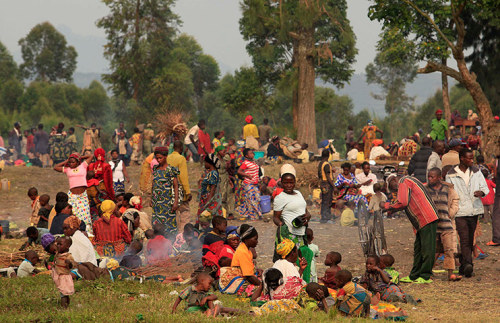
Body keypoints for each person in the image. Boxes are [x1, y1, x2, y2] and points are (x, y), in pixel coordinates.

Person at [381, 175, 438, 283]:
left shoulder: (404, 181)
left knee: (427, 249)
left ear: (394, 180)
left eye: (393, 188)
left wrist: (387, 206)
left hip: (426, 217)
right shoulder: (408, 180)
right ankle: (414, 275)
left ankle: (425, 275)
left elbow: (402, 202)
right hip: (421, 220)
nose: (395, 190)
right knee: (418, 249)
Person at [445, 148, 489, 277]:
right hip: (459, 211)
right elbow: (449, 192)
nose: (471, 160)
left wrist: (481, 192)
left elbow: (484, 187)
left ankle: (463, 266)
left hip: (474, 209)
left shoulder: (477, 172)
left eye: (472, 158)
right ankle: (469, 264)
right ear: (462, 159)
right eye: (469, 158)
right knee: (464, 239)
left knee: (470, 239)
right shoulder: (451, 174)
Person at [425, 167, 460, 281]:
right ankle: (428, 272)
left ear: (439, 178)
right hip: (432, 226)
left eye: (432, 177)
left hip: (446, 225)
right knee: (433, 250)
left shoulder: (447, 189)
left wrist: (450, 214)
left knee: (449, 250)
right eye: (429, 176)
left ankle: (450, 274)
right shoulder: (425, 189)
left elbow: (455, 200)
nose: (430, 179)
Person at [273, 165, 311, 261]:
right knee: (291, 260)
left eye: (291, 182)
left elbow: (306, 211)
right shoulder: (280, 197)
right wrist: (282, 225)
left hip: (301, 233)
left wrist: (307, 218)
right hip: (289, 234)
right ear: (281, 183)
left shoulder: (299, 194)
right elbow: (276, 217)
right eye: (286, 183)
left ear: (295, 183)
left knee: (302, 259)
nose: (288, 185)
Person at [54, 153, 94, 232]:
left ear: (77, 162)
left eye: (73, 162)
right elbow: (55, 167)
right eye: (70, 162)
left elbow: (91, 156)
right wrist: (67, 160)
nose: (71, 164)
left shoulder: (83, 166)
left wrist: (79, 157)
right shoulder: (67, 169)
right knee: (73, 215)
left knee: (85, 216)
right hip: (72, 196)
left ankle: (87, 234)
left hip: (82, 196)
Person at [172, 273, 243, 316]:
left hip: (204, 309)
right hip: (191, 309)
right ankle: (213, 312)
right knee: (220, 309)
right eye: (209, 283)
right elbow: (179, 298)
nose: (210, 286)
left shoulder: (206, 292)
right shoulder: (189, 289)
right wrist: (174, 309)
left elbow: (215, 296)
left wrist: (206, 298)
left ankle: (245, 313)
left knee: (217, 304)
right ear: (202, 281)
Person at [151, 147, 181, 236]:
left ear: (166, 156)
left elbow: (176, 186)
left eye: (160, 158)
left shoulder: (171, 170)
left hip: (167, 203)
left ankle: (170, 243)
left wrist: (176, 201)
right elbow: (153, 184)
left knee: (169, 224)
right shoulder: (155, 169)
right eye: (157, 158)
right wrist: (151, 199)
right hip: (157, 203)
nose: (159, 160)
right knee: (157, 224)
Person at [167, 141, 192, 232]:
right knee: (184, 213)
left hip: (170, 190)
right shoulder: (181, 158)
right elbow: (183, 176)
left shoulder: (168, 158)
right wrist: (188, 192)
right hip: (180, 190)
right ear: (181, 148)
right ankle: (182, 235)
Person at [52, 236, 77, 308]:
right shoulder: (58, 254)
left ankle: (64, 307)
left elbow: (72, 266)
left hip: (64, 276)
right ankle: (67, 305)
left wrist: (69, 263)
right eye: (58, 244)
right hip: (59, 276)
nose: (58, 246)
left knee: (63, 293)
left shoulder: (68, 256)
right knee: (64, 292)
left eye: (60, 244)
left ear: (67, 246)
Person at [236, 148, 262, 220]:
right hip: (248, 183)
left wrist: (258, 179)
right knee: (252, 199)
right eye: (250, 153)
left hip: (254, 183)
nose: (252, 154)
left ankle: (244, 211)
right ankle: (256, 215)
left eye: (252, 153)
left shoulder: (254, 162)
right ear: (246, 156)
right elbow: (239, 171)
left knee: (257, 198)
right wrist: (247, 175)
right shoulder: (245, 163)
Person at [198, 153, 223, 221]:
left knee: (207, 218)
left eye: (205, 162)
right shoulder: (211, 173)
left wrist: (208, 203)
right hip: (206, 199)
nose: (204, 164)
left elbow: (212, 189)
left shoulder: (213, 174)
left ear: (210, 163)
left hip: (210, 200)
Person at [216, 146, 234, 219]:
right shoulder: (215, 159)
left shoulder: (224, 159)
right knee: (222, 196)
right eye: (223, 151)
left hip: (226, 177)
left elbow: (227, 168)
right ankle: (223, 213)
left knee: (229, 194)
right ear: (218, 152)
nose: (225, 153)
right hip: (219, 178)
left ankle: (230, 213)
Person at [318, 149, 335, 223]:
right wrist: (334, 187)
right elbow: (328, 176)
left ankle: (323, 217)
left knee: (324, 201)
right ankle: (326, 218)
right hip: (327, 184)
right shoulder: (327, 164)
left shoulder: (320, 163)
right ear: (328, 155)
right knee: (328, 201)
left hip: (322, 184)